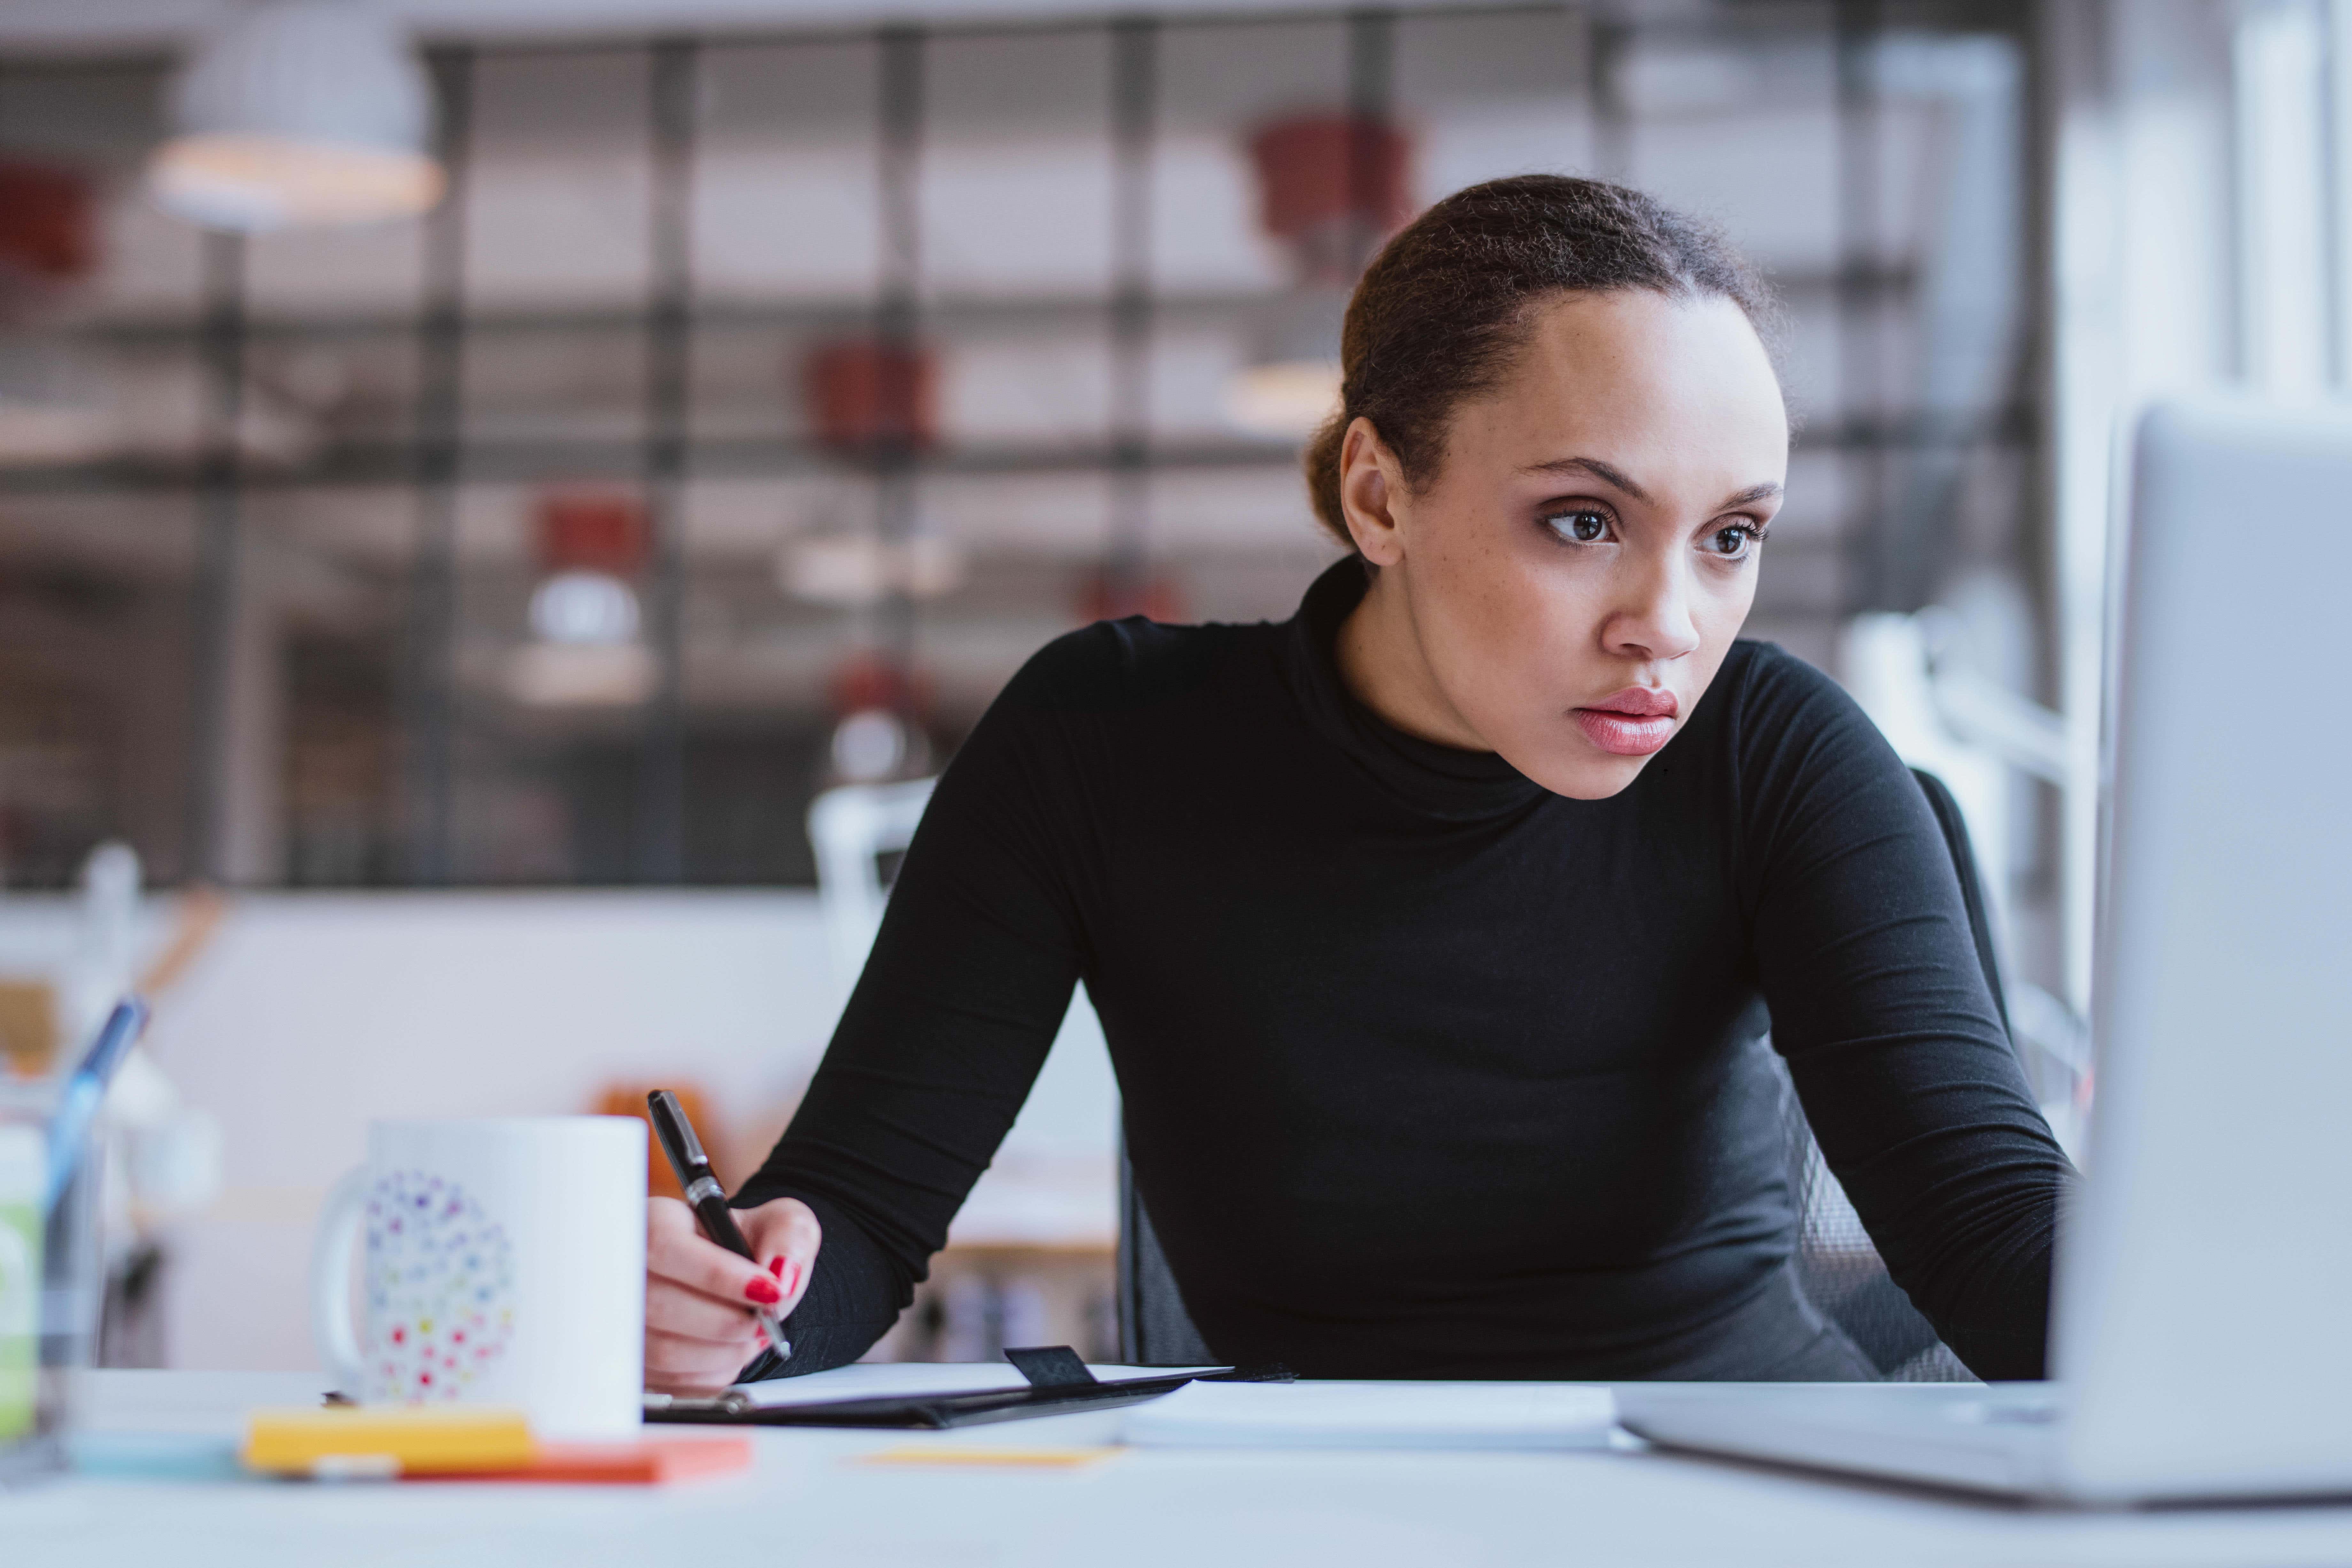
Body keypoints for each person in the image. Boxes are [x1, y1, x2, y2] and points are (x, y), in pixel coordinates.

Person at [642, 174, 2074, 1392]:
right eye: (1583, 520)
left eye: (1729, 535)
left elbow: (1992, 1234)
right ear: (1381, 497)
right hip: (1306, 1492)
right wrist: (728, 1310)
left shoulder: (1781, 754)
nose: (1671, 623)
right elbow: (858, 1220)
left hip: (1735, 1471)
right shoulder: (1108, 741)